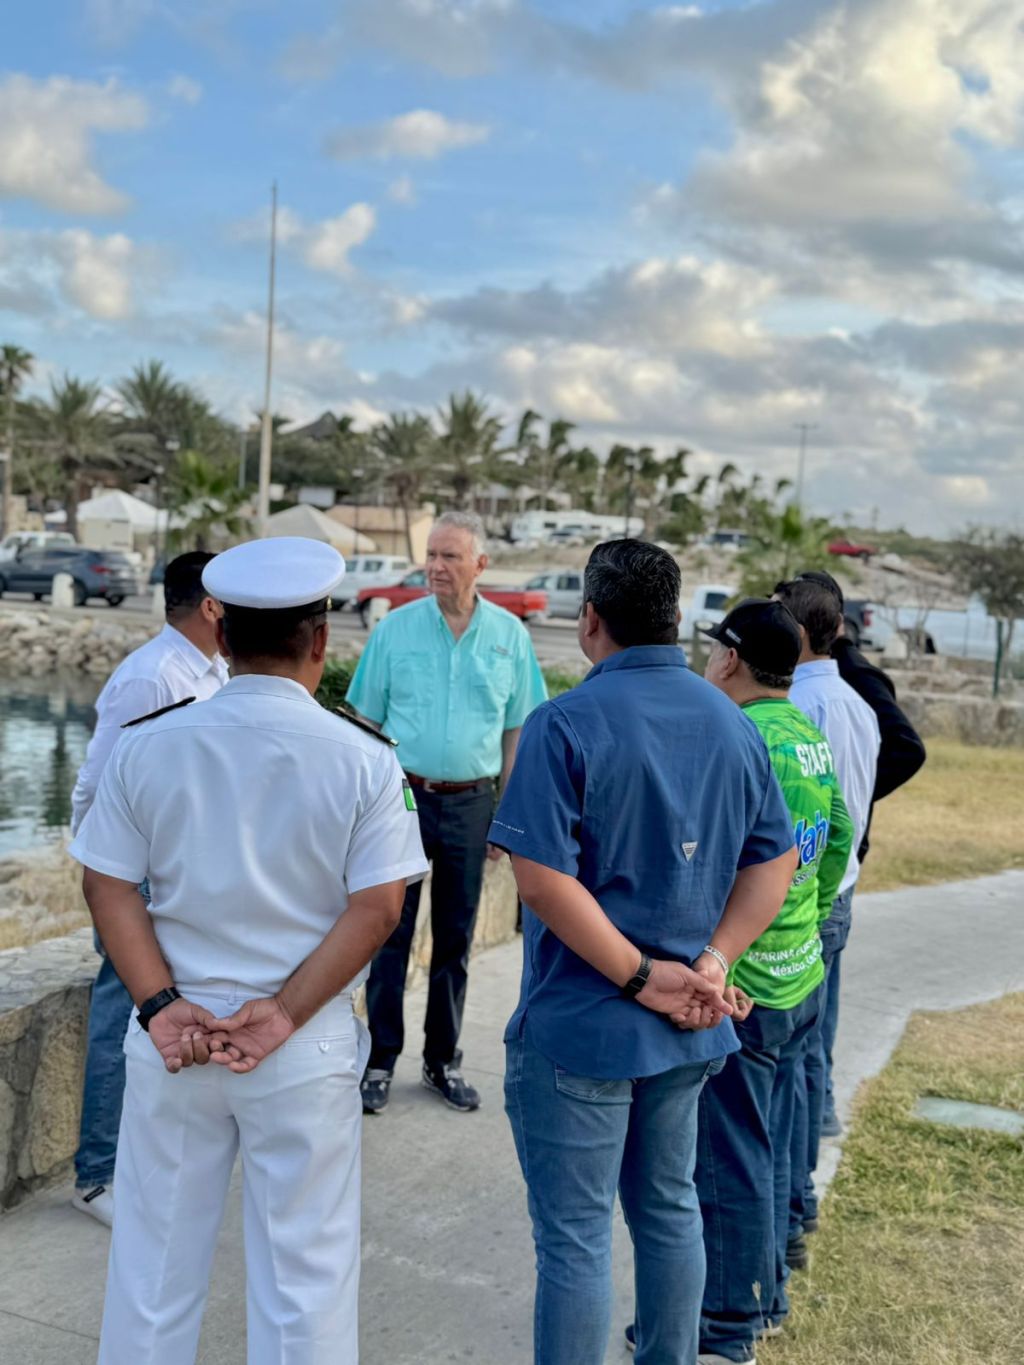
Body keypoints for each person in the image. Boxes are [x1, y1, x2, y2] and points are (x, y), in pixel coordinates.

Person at [68, 536, 429, 1365]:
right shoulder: (366, 757)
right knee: (305, 1279)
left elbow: (106, 885)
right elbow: (378, 908)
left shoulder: (151, 743)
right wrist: (281, 1014)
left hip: (176, 1041)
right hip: (300, 1045)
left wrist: (160, 1006)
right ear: (322, 639)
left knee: (151, 1274)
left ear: (220, 634)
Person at [488, 540, 798, 1365]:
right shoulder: (731, 723)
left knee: (578, 1236)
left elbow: (542, 880)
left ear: (590, 620)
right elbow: (778, 857)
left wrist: (640, 974)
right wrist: (716, 960)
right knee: (668, 1208)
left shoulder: (563, 723)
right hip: (691, 1024)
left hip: (584, 1023)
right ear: (675, 621)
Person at [346, 510, 547, 1115]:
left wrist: (507, 816)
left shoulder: (511, 637)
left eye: (450, 557)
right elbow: (365, 725)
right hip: (400, 801)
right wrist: (361, 811)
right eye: (431, 555)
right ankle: (379, 1060)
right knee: (388, 933)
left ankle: (442, 1061)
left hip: (472, 804)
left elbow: (518, 732)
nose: (435, 566)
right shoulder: (395, 629)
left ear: (480, 565)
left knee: (455, 940)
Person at [696, 599, 854, 1364]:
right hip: (800, 972)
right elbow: (840, 837)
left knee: (730, 1157)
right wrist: (809, 920)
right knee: (780, 1138)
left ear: (729, 658)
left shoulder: (740, 737)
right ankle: (773, 1288)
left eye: (708, 649)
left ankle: (729, 1323)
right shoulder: (809, 738)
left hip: (747, 984)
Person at [69, 550, 228, 1226]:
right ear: (213, 605)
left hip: (183, 877)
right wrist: (112, 881)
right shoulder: (150, 677)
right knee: (119, 1013)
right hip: (136, 881)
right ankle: (96, 1176)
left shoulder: (215, 670)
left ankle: (145, 1160)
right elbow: (96, 786)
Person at [774, 574, 880, 1262]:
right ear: (838, 628)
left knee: (786, 1067)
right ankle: (799, 1198)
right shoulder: (859, 705)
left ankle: (787, 1209)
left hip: (804, 902)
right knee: (808, 1055)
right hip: (838, 894)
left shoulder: (797, 708)